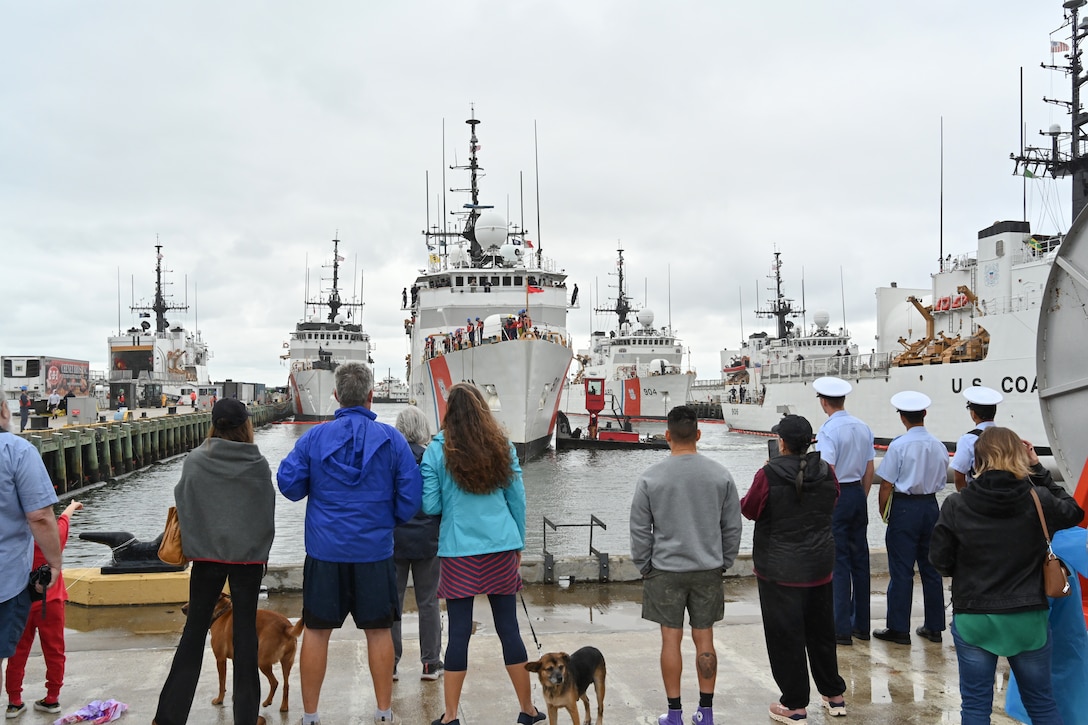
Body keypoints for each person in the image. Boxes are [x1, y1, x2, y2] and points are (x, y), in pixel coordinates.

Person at [277, 362, 421, 725]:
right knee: (378, 631)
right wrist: (386, 520)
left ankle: (310, 716)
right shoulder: (392, 440)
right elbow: (410, 498)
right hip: (374, 553)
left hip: (325, 553)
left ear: (337, 395)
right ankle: (384, 712)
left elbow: (290, 486)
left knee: (317, 631)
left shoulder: (314, 438)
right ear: (371, 395)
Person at [930, 427, 1083, 724]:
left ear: (977, 460)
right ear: (1019, 457)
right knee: (1041, 704)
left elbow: (940, 561)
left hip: (975, 618)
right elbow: (1075, 512)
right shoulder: (1038, 499)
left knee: (975, 707)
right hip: (1028, 619)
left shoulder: (956, 504)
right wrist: (1038, 468)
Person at [421, 383, 544, 725]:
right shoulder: (501, 444)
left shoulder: (436, 450)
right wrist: (517, 542)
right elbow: (516, 500)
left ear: (448, 411)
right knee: (509, 628)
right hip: (501, 546)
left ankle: (451, 716)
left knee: (458, 632)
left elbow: (429, 504)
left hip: (459, 550)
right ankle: (528, 709)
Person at [154, 398, 275, 725]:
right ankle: (246, 718)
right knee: (246, 635)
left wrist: (201, 541)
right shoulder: (257, 464)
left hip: (205, 557)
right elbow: (266, 514)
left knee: (193, 634)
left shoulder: (196, 461)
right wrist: (257, 552)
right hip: (248, 560)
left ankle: (168, 717)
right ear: (246, 425)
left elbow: (185, 501)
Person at [630, 404, 742, 725]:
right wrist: (725, 561)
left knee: (670, 640)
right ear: (698, 434)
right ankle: (705, 713)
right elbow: (732, 526)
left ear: (667, 435)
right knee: (704, 639)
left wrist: (644, 565)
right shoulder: (721, 475)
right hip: (708, 568)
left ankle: (674, 713)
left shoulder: (650, 478)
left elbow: (640, 529)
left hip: (665, 570)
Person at [741, 414, 847, 723]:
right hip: (819, 566)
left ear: (782, 442)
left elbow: (750, 509)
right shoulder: (827, 471)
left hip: (780, 570)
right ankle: (834, 695)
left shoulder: (768, 473)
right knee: (821, 632)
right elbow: (833, 501)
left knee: (785, 637)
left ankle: (795, 704)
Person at [873, 391, 948, 645]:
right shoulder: (938, 445)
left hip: (905, 508)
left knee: (902, 570)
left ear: (902, 418)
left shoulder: (899, 445)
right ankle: (935, 626)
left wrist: (885, 513)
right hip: (930, 506)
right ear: (924, 414)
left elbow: (886, 484)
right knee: (931, 569)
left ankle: (898, 628)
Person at [0, 399, 61, 678]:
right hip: (5, 581)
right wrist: (54, 564)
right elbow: (40, 516)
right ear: (4, 409)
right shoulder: (17, 451)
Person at [812, 377, 875, 646]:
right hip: (857, 493)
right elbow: (870, 467)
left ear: (824, 402)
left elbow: (828, 470)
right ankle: (861, 624)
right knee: (861, 559)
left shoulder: (827, 430)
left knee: (838, 562)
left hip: (837, 494)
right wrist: (862, 494)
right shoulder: (863, 427)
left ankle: (840, 627)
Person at [5, 500, 83, 717]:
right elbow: (64, 520)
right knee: (55, 651)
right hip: (52, 602)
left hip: (21, 601)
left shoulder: (16, 537)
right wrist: (73, 506)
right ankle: (52, 698)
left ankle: (14, 701)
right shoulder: (53, 534)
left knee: (17, 652)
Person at [391, 406, 443, 683]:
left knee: (392, 604)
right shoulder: (432, 458)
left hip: (395, 538)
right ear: (424, 429)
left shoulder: (390, 458)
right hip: (428, 539)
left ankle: (390, 664)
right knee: (429, 602)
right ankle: (430, 664)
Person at [950, 386, 1002, 491]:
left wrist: (967, 499)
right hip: (1006, 497)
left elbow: (959, 477)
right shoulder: (1007, 437)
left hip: (979, 497)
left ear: (973, 414)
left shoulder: (968, 439)